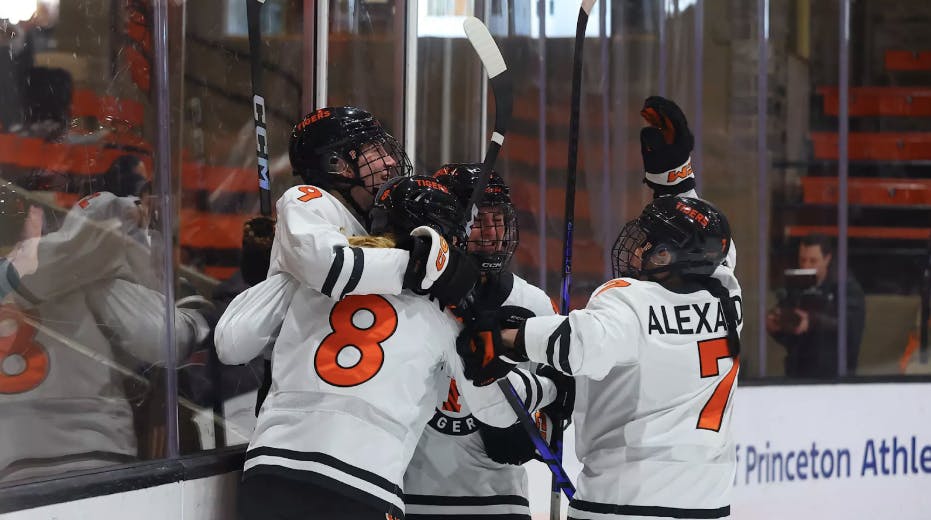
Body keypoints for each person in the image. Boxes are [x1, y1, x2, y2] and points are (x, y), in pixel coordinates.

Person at [215, 175, 553, 520]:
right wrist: (546, 388)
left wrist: (279, 270)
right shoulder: (445, 312)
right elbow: (495, 410)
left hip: (271, 464)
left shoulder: (318, 274)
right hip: (364, 481)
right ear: (448, 241)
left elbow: (230, 342)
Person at [459, 196, 742, 519]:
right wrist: (675, 176)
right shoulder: (728, 293)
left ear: (668, 257)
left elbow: (580, 344)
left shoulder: (631, 300)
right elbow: (715, 244)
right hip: (709, 502)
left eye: (650, 245)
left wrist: (505, 338)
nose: (637, 250)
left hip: (626, 500)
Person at [0, 184, 210, 482]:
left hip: (11, 464)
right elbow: (163, 339)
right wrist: (196, 316)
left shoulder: (27, 274)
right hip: (96, 450)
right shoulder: (92, 280)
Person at [403, 164, 572, 520]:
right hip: (408, 496)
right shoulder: (408, 294)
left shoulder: (533, 303)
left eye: (499, 220)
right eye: (479, 220)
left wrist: (535, 424)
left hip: (498, 500)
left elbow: (545, 420)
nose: (493, 233)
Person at [766, 234, 866, 378]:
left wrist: (812, 321)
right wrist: (776, 325)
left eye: (813, 261)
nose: (806, 266)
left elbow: (849, 326)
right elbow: (791, 333)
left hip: (835, 375)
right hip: (797, 373)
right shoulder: (795, 287)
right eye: (803, 260)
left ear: (827, 259)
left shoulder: (846, 288)